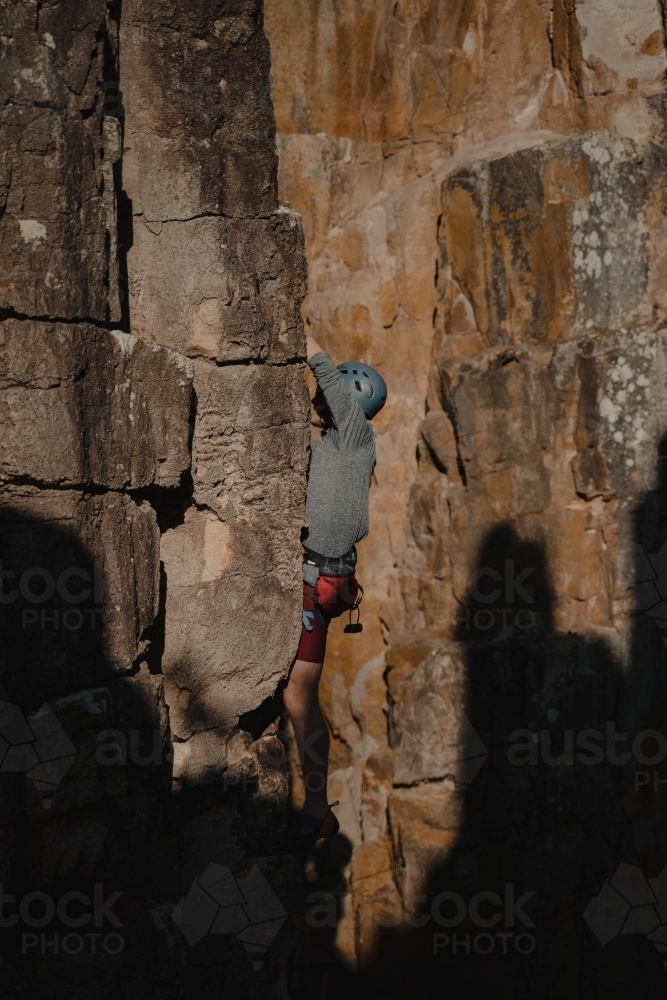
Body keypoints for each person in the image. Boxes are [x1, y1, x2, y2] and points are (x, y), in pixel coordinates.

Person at [281, 333, 387, 854]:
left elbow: (328, 380)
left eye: (326, 396)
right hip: (320, 581)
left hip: (314, 583)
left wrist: (304, 341)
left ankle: (317, 808)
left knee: (298, 697)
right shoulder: (334, 449)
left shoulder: (355, 438)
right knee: (299, 695)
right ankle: (315, 806)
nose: (317, 402)